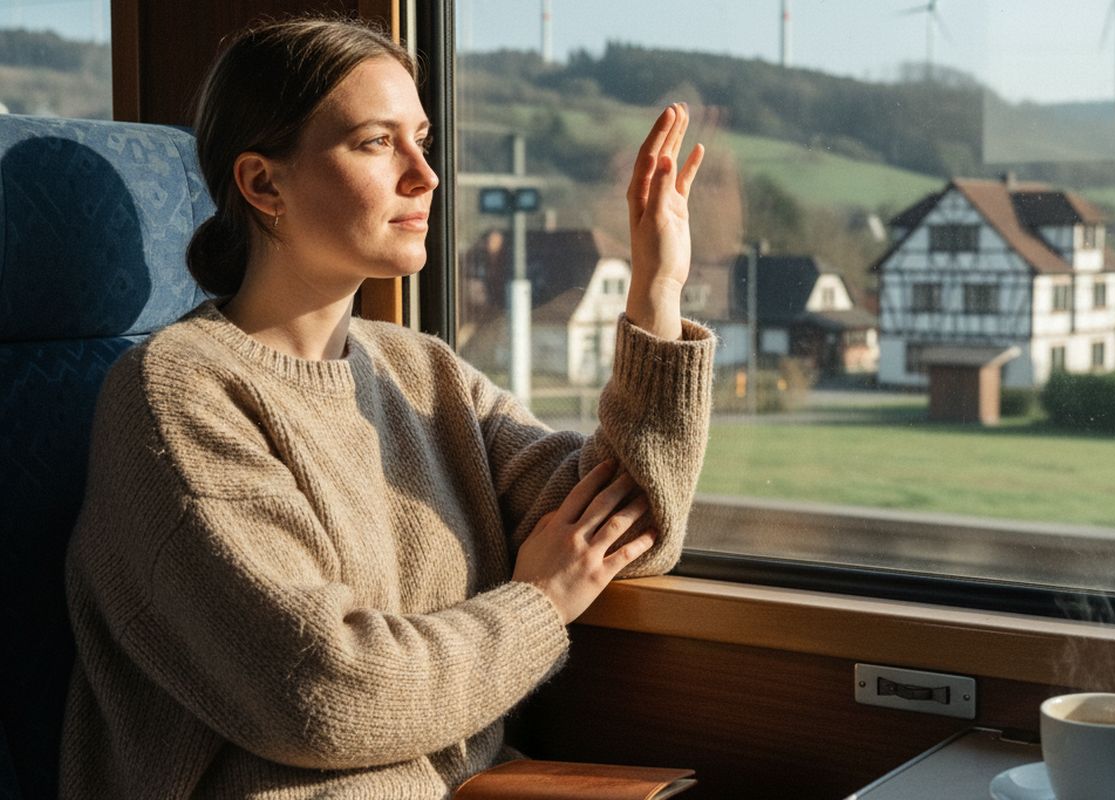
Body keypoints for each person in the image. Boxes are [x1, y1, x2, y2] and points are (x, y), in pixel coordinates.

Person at [60, 15, 712, 800]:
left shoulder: (421, 372)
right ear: (264, 183)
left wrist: (656, 296)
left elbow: (624, 526)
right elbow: (321, 693)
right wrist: (538, 603)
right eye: (376, 143)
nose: (425, 175)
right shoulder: (177, 396)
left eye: (423, 139)